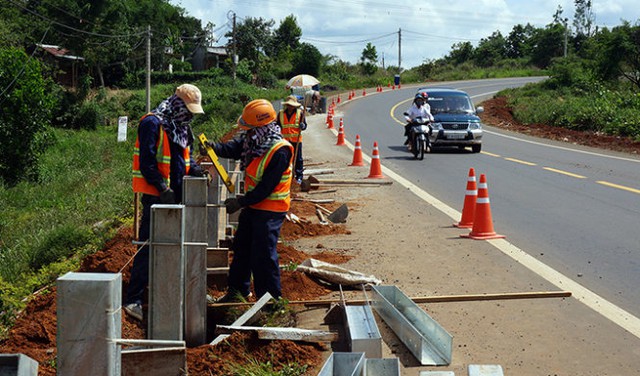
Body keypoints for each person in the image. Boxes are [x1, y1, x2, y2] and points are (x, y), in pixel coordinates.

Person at [126, 83, 206, 321]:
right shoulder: (153, 123)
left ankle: (171, 291)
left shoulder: (181, 128)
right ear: (178, 103)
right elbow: (147, 162)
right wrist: (162, 188)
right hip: (156, 196)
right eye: (188, 109)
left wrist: (197, 171)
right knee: (148, 245)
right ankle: (134, 299)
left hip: (177, 195)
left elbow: (184, 161)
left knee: (174, 244)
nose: (190, 114)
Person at [208, 99, 294, 303]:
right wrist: (215, 148)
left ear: (262, 127)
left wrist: (240, 202)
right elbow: (233, 148)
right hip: (254, 206)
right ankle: (237, 292)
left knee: (263, 254)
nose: (245, 133)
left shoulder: (280, 150)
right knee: (242, 247)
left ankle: (270, 301)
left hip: (271, 210)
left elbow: (266, 187)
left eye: (249, 129)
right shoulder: (253, 141)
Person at [276, 95, 306, 183]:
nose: (290, 107)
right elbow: (278, 126)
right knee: (286, 159)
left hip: (296, 140)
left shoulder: (300, 113)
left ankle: (299, 176)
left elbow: (304, 126)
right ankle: (286, 176)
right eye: (289, 105)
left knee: (298, 159)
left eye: (292, 105)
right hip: (285, 141)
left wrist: (302, 126)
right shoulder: (281, 114)